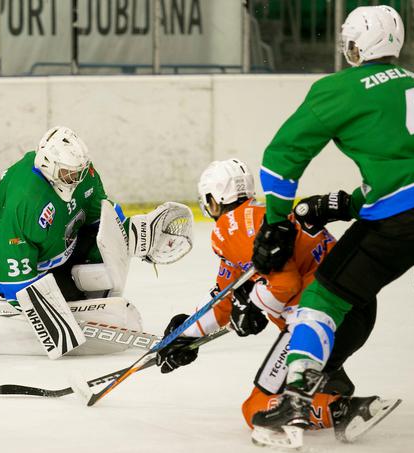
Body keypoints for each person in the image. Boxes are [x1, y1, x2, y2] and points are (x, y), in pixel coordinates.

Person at [249, 5, 414, 448]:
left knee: (324, 295)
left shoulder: (338, 89)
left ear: (356, 45)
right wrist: (345, 203)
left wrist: (276, 223)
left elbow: (280, 161)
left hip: (401, 220)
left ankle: (295, 400)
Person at [155, 158, 393, 441]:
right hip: (356, 312)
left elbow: (284, 283)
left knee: (255, 411)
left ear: (214, 199)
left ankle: (342, 410)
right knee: (292, 376)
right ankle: (330, 386)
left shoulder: (230, 227)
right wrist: (187, 332)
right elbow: (227, 298)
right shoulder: (264, 215)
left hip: (319, 317)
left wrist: (252, 306)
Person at [0, 126, 194, 356]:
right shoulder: (27, 197)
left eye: (78, 172)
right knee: (64, 304)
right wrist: (43, 312)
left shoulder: (83, 173)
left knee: (100, 271)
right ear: (48, 166)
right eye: (67, 173)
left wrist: (134, 236)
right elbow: (9, 260)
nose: (75, 178)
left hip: (58, 245)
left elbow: (101, 220)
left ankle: (68, 296)